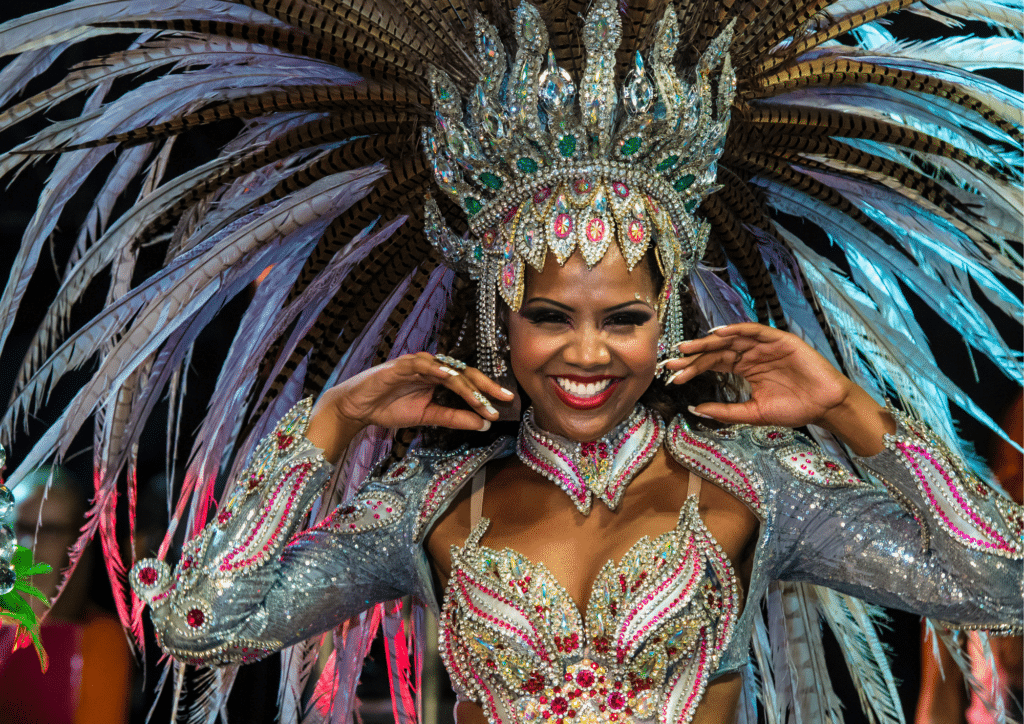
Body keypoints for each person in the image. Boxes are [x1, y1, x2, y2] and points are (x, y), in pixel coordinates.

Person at [0, 1, 1020, 723]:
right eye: (548, 317)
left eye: (620, 316)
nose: (586, 354)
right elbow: (201, 618)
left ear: (666, 313)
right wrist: (334, 421)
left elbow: (1002, 583)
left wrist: (845, 408)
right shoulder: (430, 500)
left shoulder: (760, 486)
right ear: (502, 319)